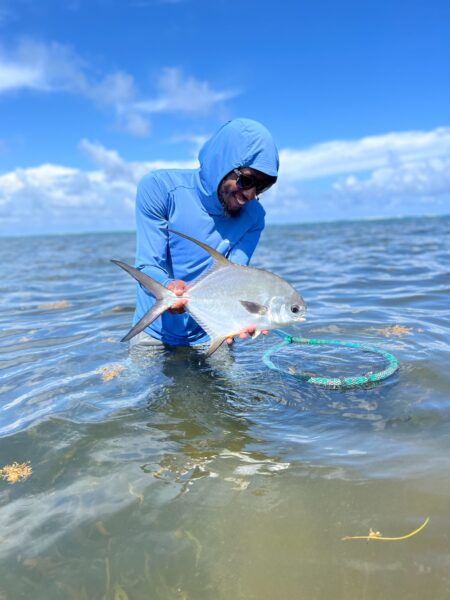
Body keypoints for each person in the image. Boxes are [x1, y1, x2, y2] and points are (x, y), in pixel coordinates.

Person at [130, 117, 279, 349]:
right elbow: (148, 265)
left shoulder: (255, 216)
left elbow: (234, 275)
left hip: (213, 332)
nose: (250, 195)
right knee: (134, 385)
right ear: (222, 165)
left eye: (262, 186)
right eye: (247, 180)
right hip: (154, 331)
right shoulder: (160, 189)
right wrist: (169, 288)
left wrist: (245, 318)